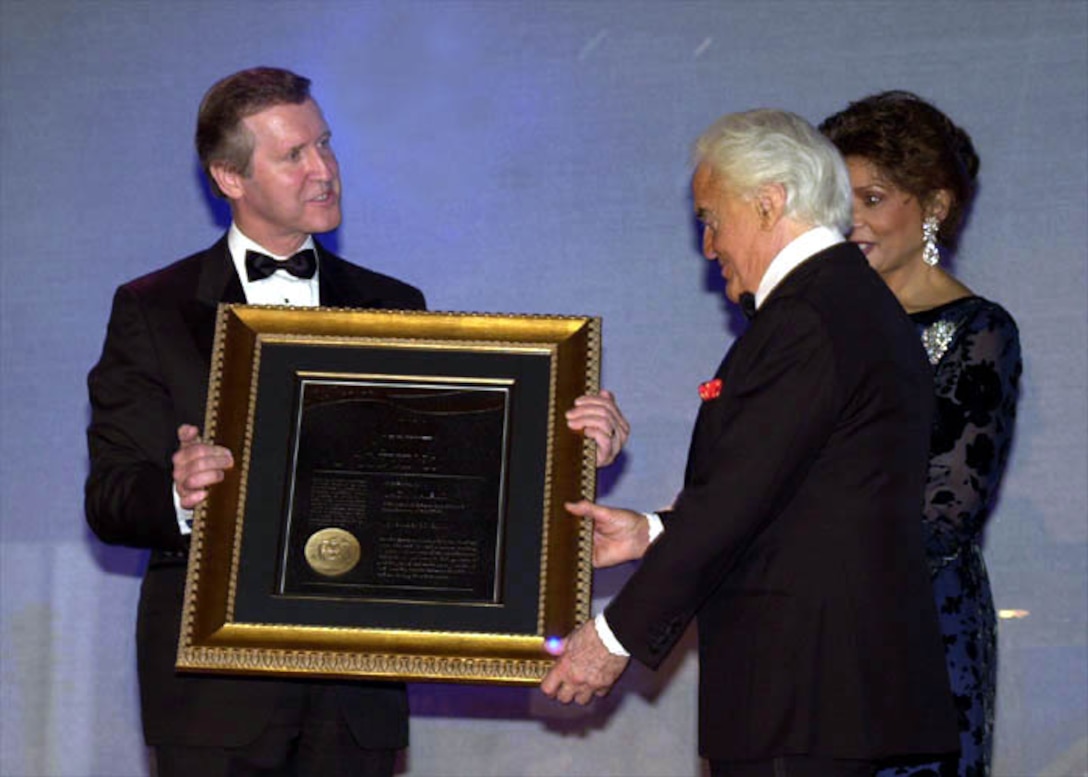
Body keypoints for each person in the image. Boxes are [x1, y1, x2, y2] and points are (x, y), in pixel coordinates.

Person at [85, 66, 629, 777]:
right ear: (229, 178)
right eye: (294, 155)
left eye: (326, 145)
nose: (324, 170)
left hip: (355, 694)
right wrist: (180, 494)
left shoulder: (393, 304)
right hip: (214, 696)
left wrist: (569, 439)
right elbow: (111, 497)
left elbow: (452, 478)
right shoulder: (153, 310)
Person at [541, 109, 960, 777]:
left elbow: (738, 499)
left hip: (801, 690)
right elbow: (793, 495)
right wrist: (654, 530)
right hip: (817, 693)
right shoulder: (841, 304)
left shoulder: (809, 317)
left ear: (770, 203)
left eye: (711, 217)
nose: (709, 246)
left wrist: (614, 635)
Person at [820, 91, 1022, 777]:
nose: (853, 221)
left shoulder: (979, 331)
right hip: (807, 634)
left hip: (919, 633)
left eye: (873, 199)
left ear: (934, 205)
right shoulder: (813, 326)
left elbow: (945, 514)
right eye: (841, 201)